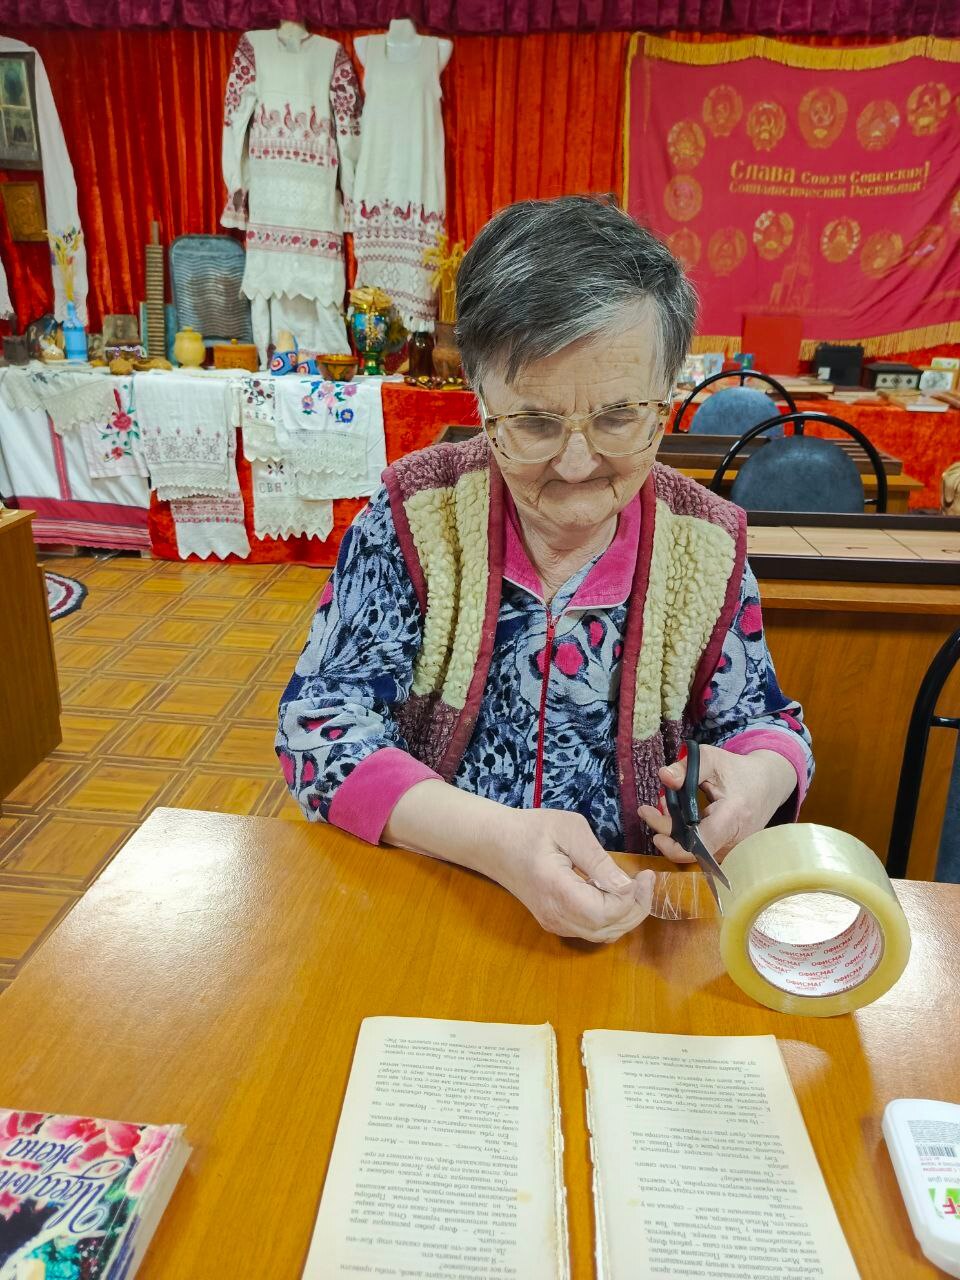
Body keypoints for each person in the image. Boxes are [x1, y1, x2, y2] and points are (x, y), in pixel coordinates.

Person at [276, 195, 813, 942]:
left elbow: (765, 722)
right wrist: (492, 840)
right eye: (533, 422)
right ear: (480, 398)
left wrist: (760, 780)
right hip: (440, 898)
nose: (577, 464)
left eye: (619, 417)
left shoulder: (703, 545)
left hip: (633, 918)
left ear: (664, 403)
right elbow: (318, 725)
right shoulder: (415, 517)